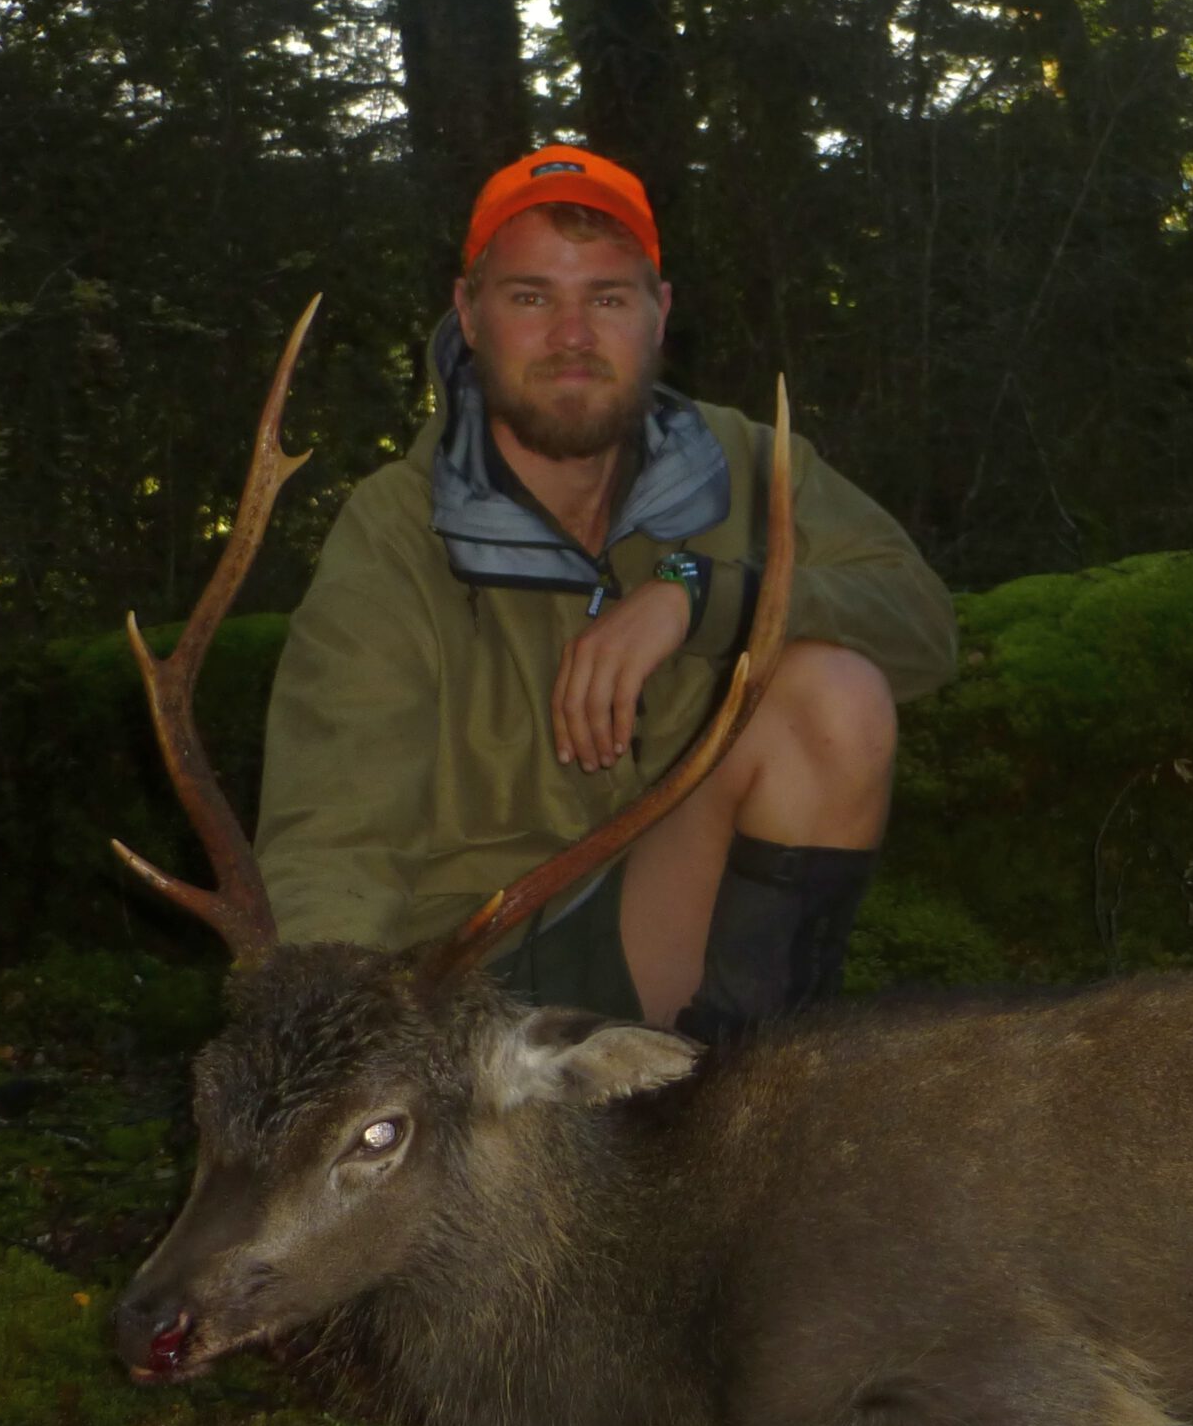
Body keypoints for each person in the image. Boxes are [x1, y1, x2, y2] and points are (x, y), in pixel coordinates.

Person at [253, 145, 956, 1040]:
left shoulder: (745, 465)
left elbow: (922, 623)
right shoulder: (398, 531)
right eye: (532, 297)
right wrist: (330, 1038)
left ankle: (746, 1110)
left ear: (658, 314)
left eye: (608, 298)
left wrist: (695, 592)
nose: (573, 335)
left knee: (833, 696)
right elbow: (334, 838)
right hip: (470, 994)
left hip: (660, 926)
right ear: (469, 315)